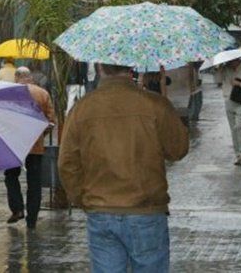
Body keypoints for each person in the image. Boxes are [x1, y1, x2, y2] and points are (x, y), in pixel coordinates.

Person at [58, 63, 189, 273]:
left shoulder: (82, 108)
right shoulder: (154, 104)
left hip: (101, 210)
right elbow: (178, 150)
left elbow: (67, 163)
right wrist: (167, 107)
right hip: (146, 210)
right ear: (131, 68)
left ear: (100, 68)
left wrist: (83, 199)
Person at [4, 67, 55, 228]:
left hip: (14, 144)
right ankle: (32, 219)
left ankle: (17, 208)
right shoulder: (42, 94)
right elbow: (50, 121)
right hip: (35, 145)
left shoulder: (10, 93)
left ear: (17, 77)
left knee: (11, 176)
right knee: (34, 183)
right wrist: (40, 135)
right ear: (30, 77)